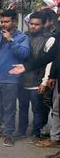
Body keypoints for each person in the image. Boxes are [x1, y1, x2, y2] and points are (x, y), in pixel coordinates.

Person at [0, 10, 30, 147]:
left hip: (11, 80)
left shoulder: (21, 37)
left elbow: (24, 54)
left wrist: (11, 40)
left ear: (14, 21)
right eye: (1, 22)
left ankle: (9, 134)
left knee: (9, 108)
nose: (3, 24)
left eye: (6, 21)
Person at [16, 12, 56, 144]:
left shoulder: (49, 39)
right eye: (31, 24)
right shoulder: (24, 37)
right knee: (22, 107)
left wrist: (44, 82)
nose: (33, 27)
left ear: (44, 24)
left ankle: (36, 133)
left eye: (36, 24)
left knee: (37, 110)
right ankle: (21, 131)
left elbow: (49, 62)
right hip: (23, 79)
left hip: (38, 81)